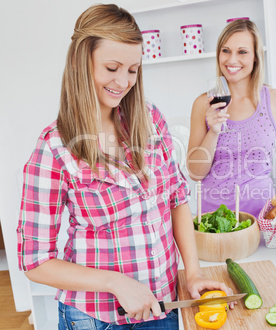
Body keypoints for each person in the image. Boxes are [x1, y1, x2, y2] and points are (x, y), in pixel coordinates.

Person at [16, 4, 234, 329]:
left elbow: (176, 200)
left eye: (133, 70)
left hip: (164, 305)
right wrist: (115, 283)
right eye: (112, 67)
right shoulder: (54, 147)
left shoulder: (149, 120)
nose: (123, 81)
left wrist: (193, 274)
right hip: (95, 319)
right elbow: (35, 262)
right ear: (81, 63)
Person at [187, 19, 276, 218]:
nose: (232, 60)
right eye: (226, 51)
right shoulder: (202, 104)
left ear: (255, 57)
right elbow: (195, 173)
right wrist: (213, 132)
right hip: (214, 222)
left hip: (263, 219)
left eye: (242, 52)